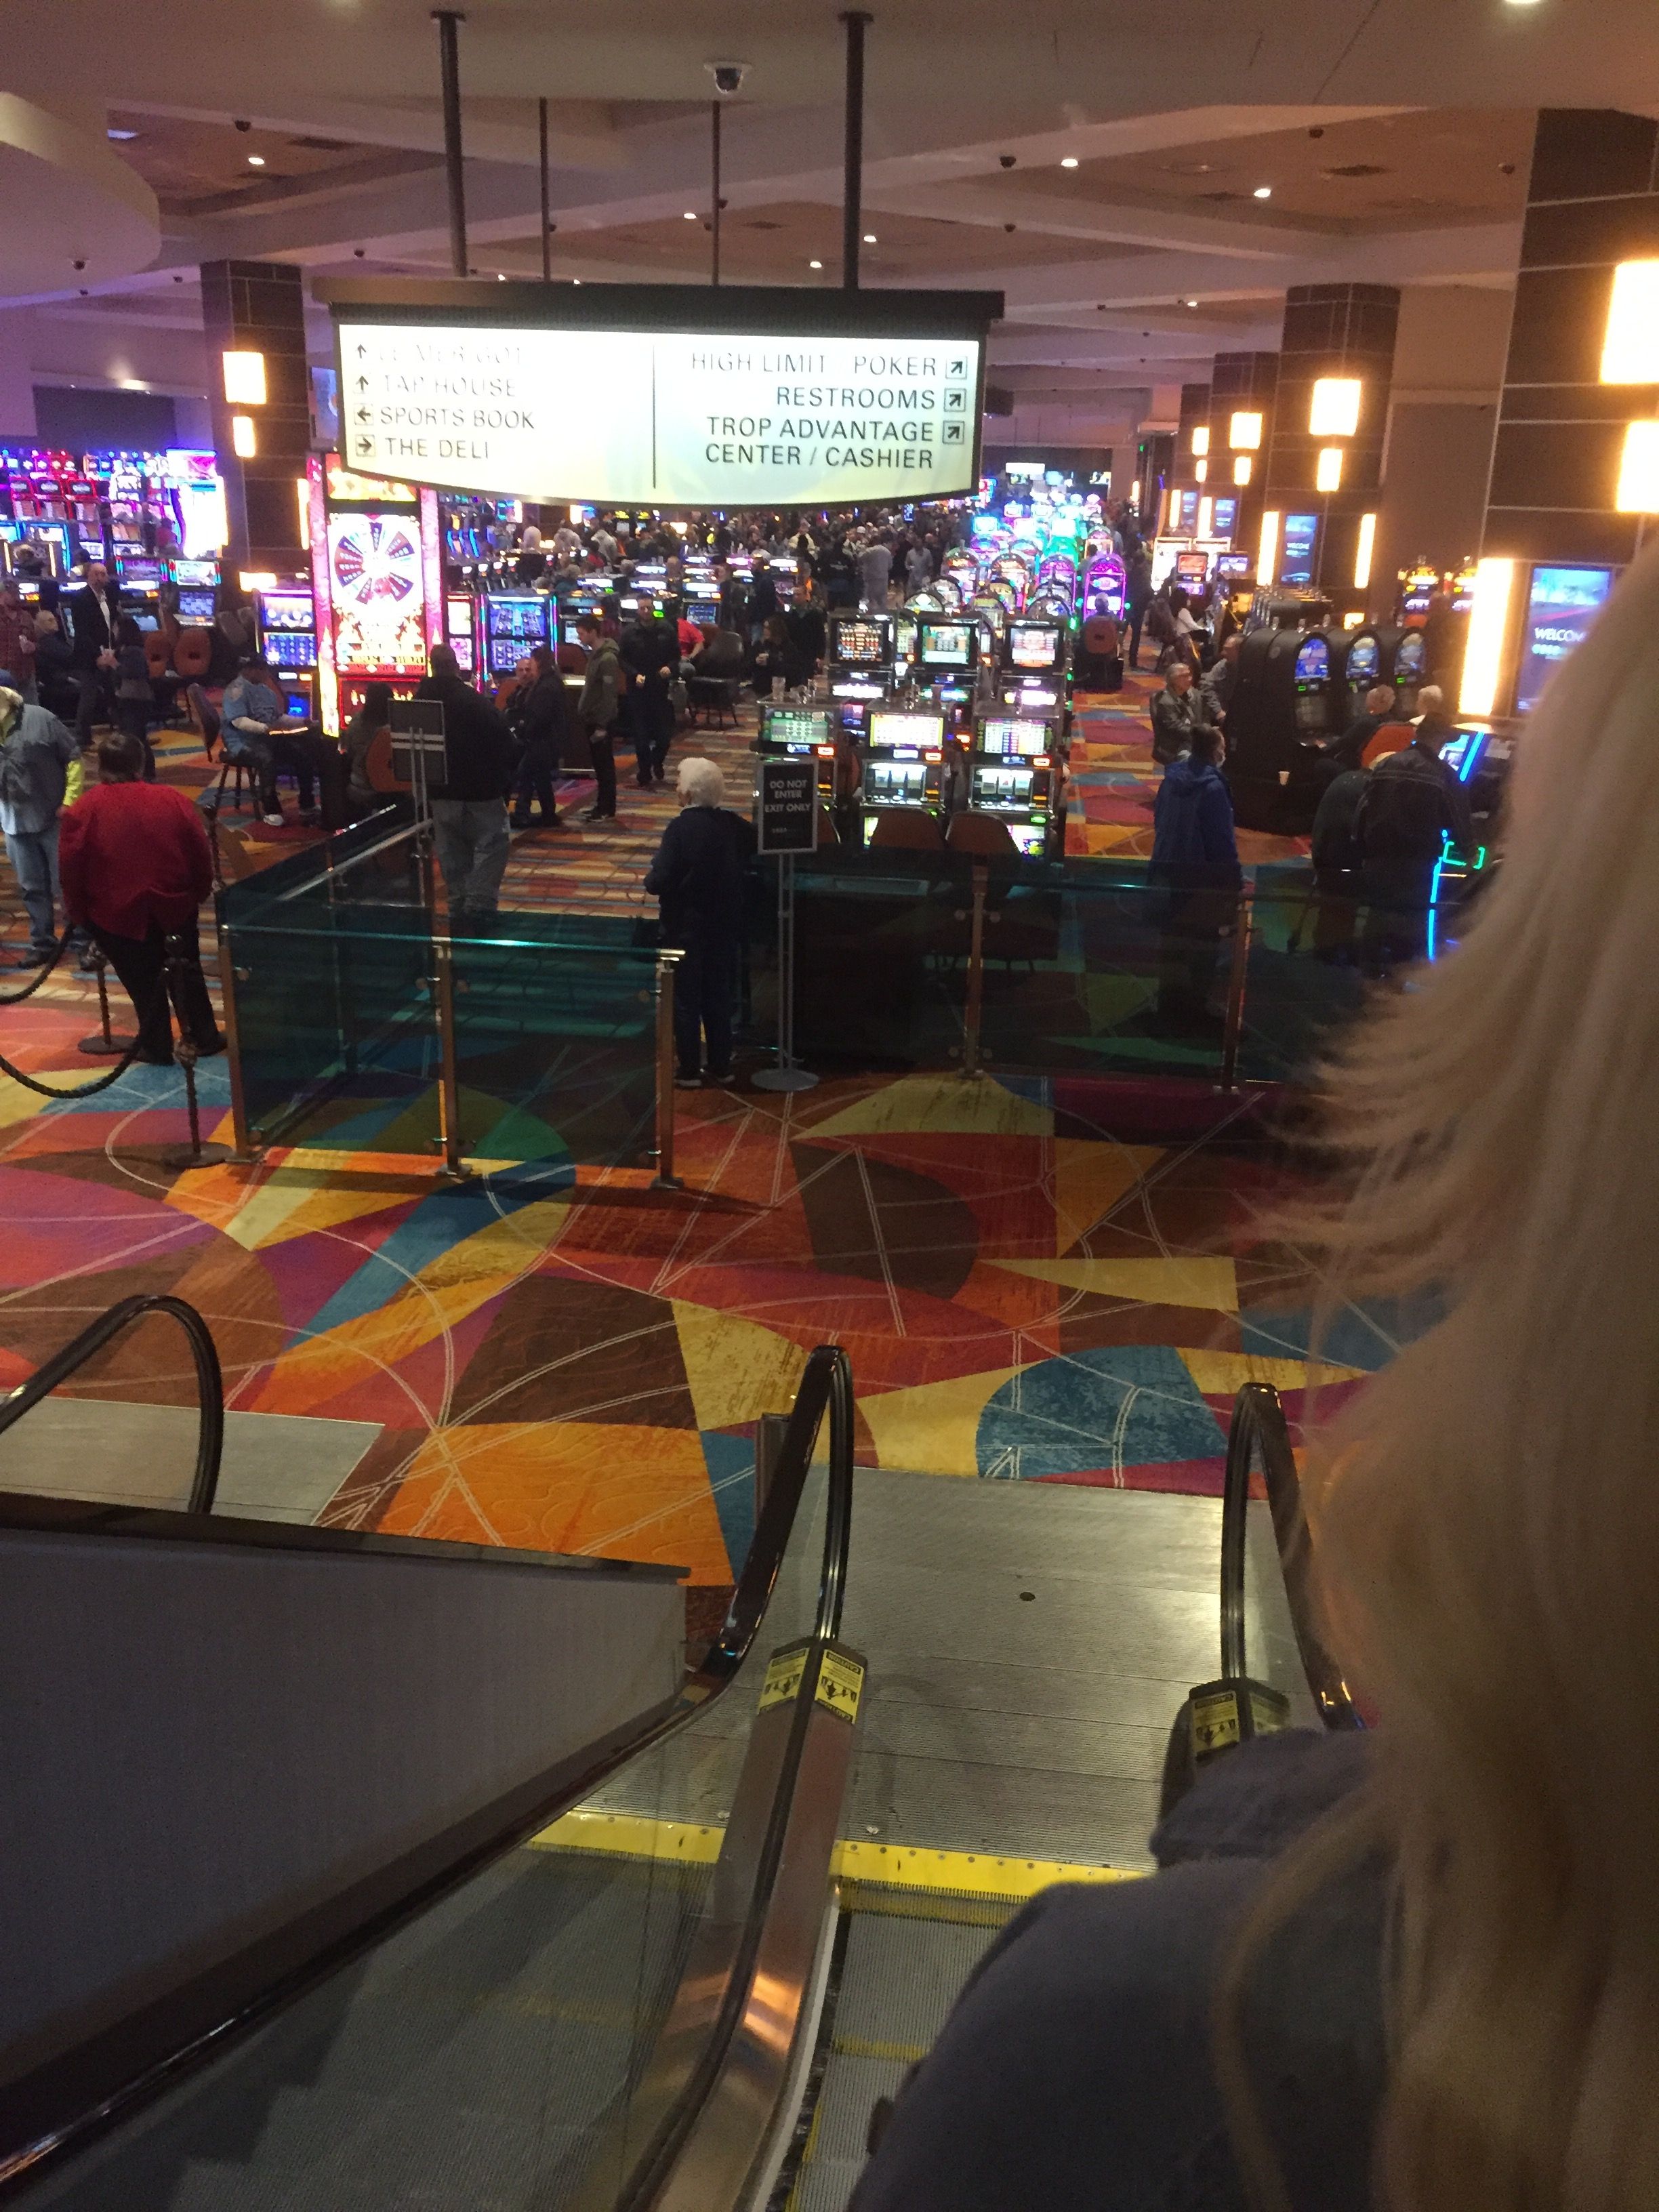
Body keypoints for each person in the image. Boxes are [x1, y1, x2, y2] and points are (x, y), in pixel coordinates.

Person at [58, 731, 221, 1065]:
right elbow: (199, 851)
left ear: (101, 767)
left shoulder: (83, 810)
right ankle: (203, 1036)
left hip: (116, 913)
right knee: (188, 973)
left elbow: (71, 869)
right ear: (140, 763)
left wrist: (79, 914)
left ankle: (157, 1045)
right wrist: (198, 892)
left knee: (143, 984)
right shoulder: (172, 799)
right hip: (175, 905)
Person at [644, 755, 754, 1088]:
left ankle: (689, 1069)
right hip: (724, 926)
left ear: (689, 793)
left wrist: (652, 876)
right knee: (718, 995)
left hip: (685, 928)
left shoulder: (680, 828)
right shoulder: (731, 824)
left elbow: (658, 881)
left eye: (679, 783)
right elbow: (755, 845)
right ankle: (721, 1064)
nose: (676, 789)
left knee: (685, 999)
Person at [1354, 699, 1475, 972]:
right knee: (1411, 924)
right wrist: (1470, 855)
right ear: (1442, 739)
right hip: (1416, 862)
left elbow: (1363, 810)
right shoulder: (1444, 776)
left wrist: (1361, 847)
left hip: (1378, 856)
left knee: (1377, 918)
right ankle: (1399, 980)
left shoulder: (1386, 765)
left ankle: (1368, 976)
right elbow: (1460, 823)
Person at [413, 643, 514, 925]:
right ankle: (479, 904)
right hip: (480, 789)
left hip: (440, 790)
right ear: (457, 667)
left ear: (432, 666)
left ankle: (458, 903)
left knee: (452, 851)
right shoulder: (473, 701)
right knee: (492, 845)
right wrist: (503, 778)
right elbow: (504, 740)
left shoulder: (419, 702)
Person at [1147, 720, 1240, 1027]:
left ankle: (1168, 1003)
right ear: (1214, 752)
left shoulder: (1171, 779)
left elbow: (1159, 822)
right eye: (1222, 748)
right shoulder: (1213, 788)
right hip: (1201, 879)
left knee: (1172, 940)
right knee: (1203, 945)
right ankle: (1195, 1010)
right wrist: (1233, 883)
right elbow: (1221, 842)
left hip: (1166, 868)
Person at [0, 682, 83, 967]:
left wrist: (70, 801)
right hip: (14, 823)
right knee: (31, 887)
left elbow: (74, 758)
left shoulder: (41, 719)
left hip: (53, 818)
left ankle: (82, 942)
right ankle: (42, 943)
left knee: (66, 885)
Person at [221, 657, 344, 827]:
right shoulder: (235, 691)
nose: (266, 673)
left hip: (267, 739)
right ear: (249, 670)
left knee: (303, 756)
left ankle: (307, 804)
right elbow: (238, 721)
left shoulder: (266, 691)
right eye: (262, 670)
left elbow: (278, 718)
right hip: (241, 742)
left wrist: (303, 722)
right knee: (267, 759)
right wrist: (265, 728)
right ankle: (271, 810)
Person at [508, 644, 571, 829]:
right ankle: (548, 815)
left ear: (539, 662)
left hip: (542, 741)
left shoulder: (546, 686)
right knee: (540, 778)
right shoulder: (550, 682)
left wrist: (524, 728)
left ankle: (523, 814)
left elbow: (540, 717)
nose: (531, 666)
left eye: (533, 662)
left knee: (526, 774)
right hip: (547, 740)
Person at [620, 593, 678, 788]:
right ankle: (644, 771)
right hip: (638, 690)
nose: (646, 611)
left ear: (654, 608)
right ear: (637, 610)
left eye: (649, 608)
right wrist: (634, 674)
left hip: (660, 689)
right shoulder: (629, 632)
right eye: (642, 608)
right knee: (641, 737)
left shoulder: (666, 629)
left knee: (664, 736)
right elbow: (622, 660)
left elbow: (676, 656)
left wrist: (669, 667)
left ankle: (657, 761)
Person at [574, 610, 623, 824]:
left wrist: (602, 725)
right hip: (592, 719)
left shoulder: (607, 658)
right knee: (599, 767)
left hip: (601, 721)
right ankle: (601, 805)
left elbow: (609, 696)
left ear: (593, 632)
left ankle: (607, 808)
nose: (579, 638)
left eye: (582, 633)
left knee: (605, 767)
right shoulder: (595, 655)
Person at [65, 560, 121, 741]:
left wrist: (114, 650)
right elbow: (82, 633)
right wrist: (97, 656)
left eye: (103, 574)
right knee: (89, 697)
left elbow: (113, 625)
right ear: (89, 576)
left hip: (109, 653)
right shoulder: (81, 598)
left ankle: (124, 731)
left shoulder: (108, 596)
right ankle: (82, 737)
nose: (100, 578)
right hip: (89, 656)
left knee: (115, 693)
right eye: (97, 574)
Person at [110, 616, 157, 781]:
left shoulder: (134, 651)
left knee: (136, 737)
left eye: (116, 628)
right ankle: (143, 771)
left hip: (137, 698)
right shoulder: (124, 650)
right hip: (129, 697)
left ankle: (147, 772)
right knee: (135, 736)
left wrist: (114, 664)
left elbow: (135, 673)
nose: (114, 631)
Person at [342, 680, 394, 819]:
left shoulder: (356, 721)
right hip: (389, 785)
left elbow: (349, 753)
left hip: (360, 782)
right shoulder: (395, 725)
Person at [1149, 661, 1216, 766]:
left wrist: (1207, 730)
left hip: (1196, 741)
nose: (1190, 679)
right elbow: (1175, 728)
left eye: (1190, 675)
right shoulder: (1166, 701)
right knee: (1195, 765)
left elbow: (1205, 717)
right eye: (1184, 676)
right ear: (1173, 679)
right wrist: (1201, 734)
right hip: (1176, 745)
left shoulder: (1196, 695)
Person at [1323, 682, 1397, 774]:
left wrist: (1323, 747)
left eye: (1367, 698)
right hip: (1382, 767)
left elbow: (1342, 744)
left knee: (1322, 763)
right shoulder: (1392, 721)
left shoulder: (1366, 722)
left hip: (1358, 768)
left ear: (1373, 702)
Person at [749, 613, 811, 697]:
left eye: (768, 628)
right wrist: (755, 661)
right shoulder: (760, 645)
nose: (765, 631)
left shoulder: (788, 647)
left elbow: (795, 670)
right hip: (762, 688)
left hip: (784, 688)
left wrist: (772, 662)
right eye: (764, 627)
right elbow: (747, 666)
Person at [32, 611, 77, 723]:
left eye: (55, 619)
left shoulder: (51, 640)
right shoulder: (48, 642)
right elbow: (71, 657)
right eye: (50, 620)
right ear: (41, 624)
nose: (55, 622)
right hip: (60, 679)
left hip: (57, 679)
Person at [0, 576, 38, 700]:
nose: (17, 597)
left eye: (17, 593)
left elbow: (36, 642)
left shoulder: (26, 616)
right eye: (12, 594)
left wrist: (33, 647)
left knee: (30, 709)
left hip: (25, 674)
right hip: (3, 676)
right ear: (3, 595)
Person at [1199, 632, 1241, 729]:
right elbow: (1207, 685)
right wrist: (1218, 711)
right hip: (1220, 714)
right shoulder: (1223, 665)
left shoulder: (1252, 669)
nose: (1223, 653)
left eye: (1228, 650)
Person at [1124, 547, 1153, 669]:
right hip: (1139, 607)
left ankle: (1115, 654)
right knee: (1135, 635)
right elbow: (1148, 592)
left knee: (1121, 632)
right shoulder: (1144, 575)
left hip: (1128, 605)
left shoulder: (1129, 573)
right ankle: (1132, 660)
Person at [858, 535, 893, 613]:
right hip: (883, 580)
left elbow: (860, 559)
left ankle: (870, 617)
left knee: (870, 600)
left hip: (872, 580)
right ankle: (882, 616)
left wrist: (863, 548)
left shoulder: (869, 551)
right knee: (882, 601)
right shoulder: (887, 551)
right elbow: (890, 566)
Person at [748, 554, 779, 637]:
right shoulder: (756, 580)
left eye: (754, 565)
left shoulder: (766, 581)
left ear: (760, 567)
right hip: (754, 619)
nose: (751, 568)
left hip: (760, 621)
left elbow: (768, 603)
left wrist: (763, 619)